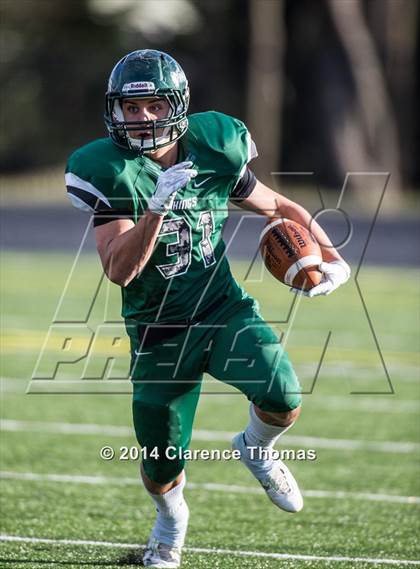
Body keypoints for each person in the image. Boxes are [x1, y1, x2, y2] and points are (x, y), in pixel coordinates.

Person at [65, 49, 350, 568]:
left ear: (176, 105)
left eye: (154, 105)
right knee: (161, 465)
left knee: (283, 395)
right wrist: (156, 208)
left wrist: (329, 258)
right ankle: (172, 521)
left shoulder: (214, 145)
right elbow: (119, 270)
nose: (143, 117)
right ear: (115, 111)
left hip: (220, 308)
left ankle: (257, 448)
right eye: (132, 107)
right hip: (158, 330)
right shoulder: (108, 169)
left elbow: (279, 208)